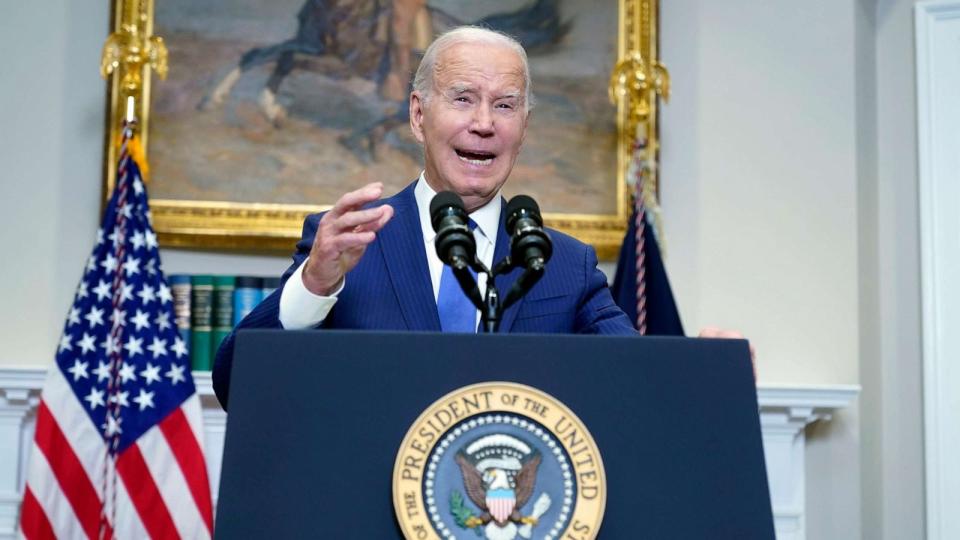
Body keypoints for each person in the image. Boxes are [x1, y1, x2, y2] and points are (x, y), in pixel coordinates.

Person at [212, 27, 750, 409]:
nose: (484, 124)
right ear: (419, 115)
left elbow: (638, 386)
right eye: (464, 99)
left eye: (506, 105)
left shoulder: (562, 264)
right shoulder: (347, 243)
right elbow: (239, 384)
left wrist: (706, 371)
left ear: (524, 125)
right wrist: (314, 284)